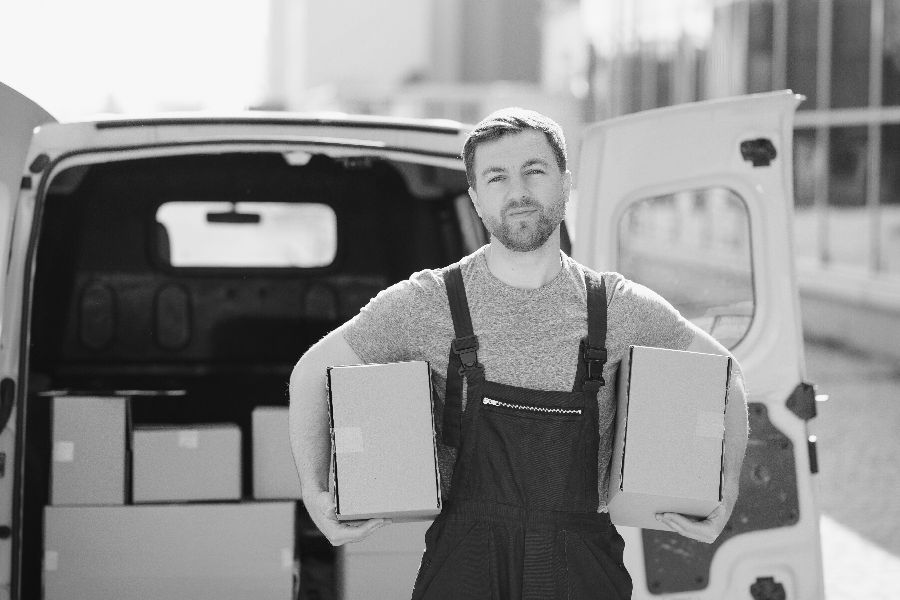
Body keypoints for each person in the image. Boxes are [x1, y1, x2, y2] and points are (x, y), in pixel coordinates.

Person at [288, 107, 749, 599]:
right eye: (497, 177)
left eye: (535, 170)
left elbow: (726, 378)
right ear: (475, 198)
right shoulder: (427, 303)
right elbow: (311, 373)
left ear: (565, 183)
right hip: (466, 568)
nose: (518, 191)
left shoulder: (618, 306)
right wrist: (315, 492)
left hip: (580, 571)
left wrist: (726, 489)